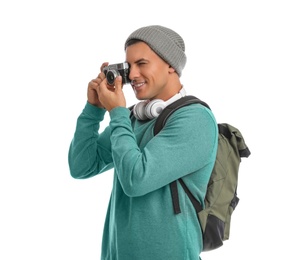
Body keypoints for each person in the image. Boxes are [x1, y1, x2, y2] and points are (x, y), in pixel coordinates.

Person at [68, 25, 218, 260]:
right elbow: (81, 166)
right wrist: (93, 109)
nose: (133, 75)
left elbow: (136, 179)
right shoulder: (132, 118)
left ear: (170, 65)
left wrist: (117, 112)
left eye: (142, 64)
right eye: (129, 67)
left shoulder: (195, 119)